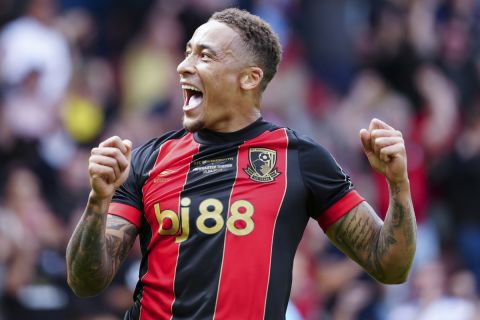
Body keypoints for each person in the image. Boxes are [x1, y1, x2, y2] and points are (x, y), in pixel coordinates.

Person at [66, 8, 417, 320]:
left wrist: (398, 185)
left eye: (204, 56)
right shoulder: (146, 160)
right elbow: (84, 281)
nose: (183, 65)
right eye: (187, 52)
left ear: (250, 78)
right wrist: (98, 201)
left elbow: (390, 266)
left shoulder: (300, 159)